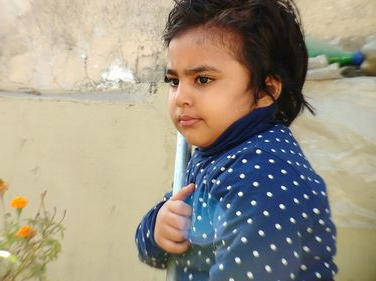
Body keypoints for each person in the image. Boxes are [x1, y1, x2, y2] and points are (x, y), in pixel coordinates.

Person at [135, 0, 338, 280]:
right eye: (174, 81)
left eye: (203, 79)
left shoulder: (266, 176)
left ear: (266, 90)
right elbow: (156, 252)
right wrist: (159, 229)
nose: (181, 97)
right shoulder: (215, 151)